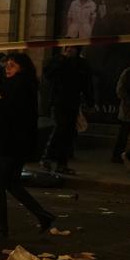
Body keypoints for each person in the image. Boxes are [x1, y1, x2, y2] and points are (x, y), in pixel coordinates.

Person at [0, 52, 55, 237]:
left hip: (9, 143)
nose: (7, 68)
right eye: (7, 64)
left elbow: (7, 114)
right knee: (11, 183)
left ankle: (0, 225)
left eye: (12, 65)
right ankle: (42, 214)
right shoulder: (24, 85)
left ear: (22, 68)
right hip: (20, 143)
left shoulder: (20, 87)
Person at [41, 45, 93, 174]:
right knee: (60, 127)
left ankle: (62, 163)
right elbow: (48, 74)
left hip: (73, 102)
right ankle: (47, 156)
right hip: (58, 101)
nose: (70, 50)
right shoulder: (58, 60)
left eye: (73, 48)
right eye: (68, 47)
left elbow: (87, 82)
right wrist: (63, 60)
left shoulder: (82, 64)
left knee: (69, 132)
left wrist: (90, 100)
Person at [112, 55, 130, 163]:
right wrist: (129, 100)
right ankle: (117, 155)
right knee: (123, 133)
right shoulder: (128, 72)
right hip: (129, 108)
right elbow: (120, 90)